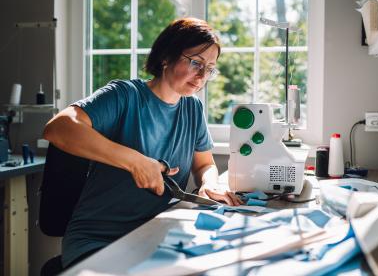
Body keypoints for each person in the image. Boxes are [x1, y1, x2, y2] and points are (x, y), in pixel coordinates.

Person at [43, 17, 243, 269]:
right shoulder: (124, 95)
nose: (202, 76)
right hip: (99, 240)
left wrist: (208, 184)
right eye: (195, 63)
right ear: (166, 57)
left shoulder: (193, 108)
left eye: (210, 69)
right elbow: (58, 128)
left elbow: (204, 164)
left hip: (156, 233)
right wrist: (135, 162)